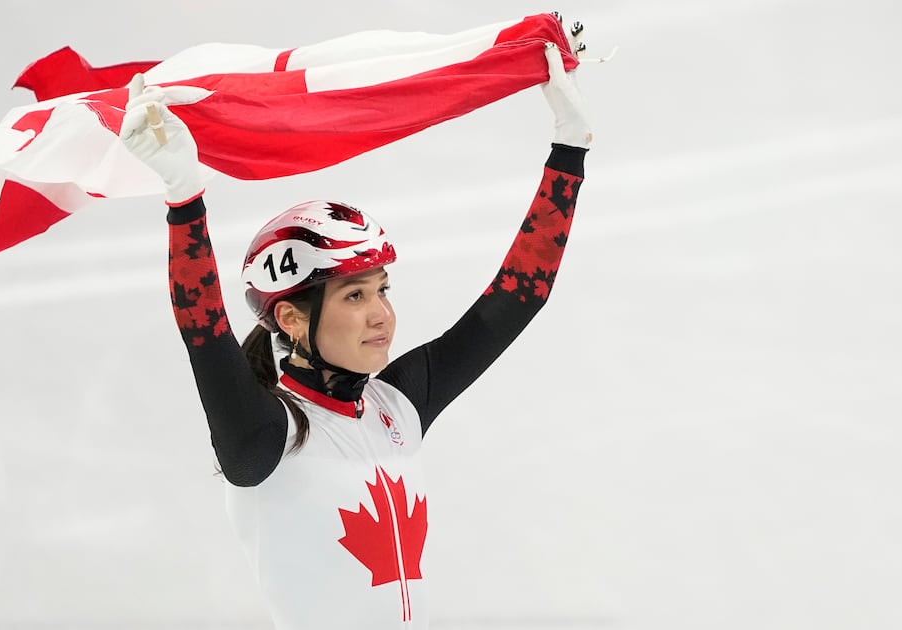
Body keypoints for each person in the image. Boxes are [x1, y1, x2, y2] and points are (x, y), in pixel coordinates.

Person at [119, 22, 594, 630]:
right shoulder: (267, 437)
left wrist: (569, 148)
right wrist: (185, 200)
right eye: (354, 295)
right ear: (290, 318)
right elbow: (204, 334)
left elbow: (516, 298)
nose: (381, 314)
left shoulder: (396, 407)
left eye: (382, 291)